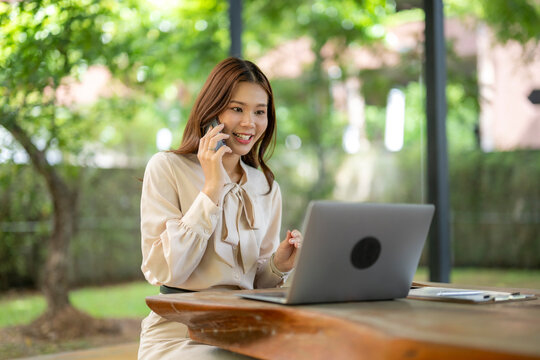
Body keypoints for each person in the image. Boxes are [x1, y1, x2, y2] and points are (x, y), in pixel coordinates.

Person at [138, 57, 303, 359]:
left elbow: (256, 283)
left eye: (259, 112)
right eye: (237, 109)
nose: (249, 123)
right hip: (181, 332)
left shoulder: (266, 186)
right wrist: (212, 188)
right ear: (212, 111)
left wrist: (279, 264)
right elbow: (166, 269)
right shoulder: (167, 168)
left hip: (246, 328)